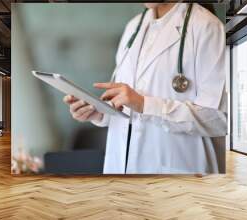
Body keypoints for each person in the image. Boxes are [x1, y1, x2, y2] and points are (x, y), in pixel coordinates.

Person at [63, 3, 227, 174]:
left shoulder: (208, 27)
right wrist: (100, 113)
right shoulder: (133, 27)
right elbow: (127, 105)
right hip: (121, 172)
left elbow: (219, 119)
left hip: (178, 173)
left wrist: (145, 105)